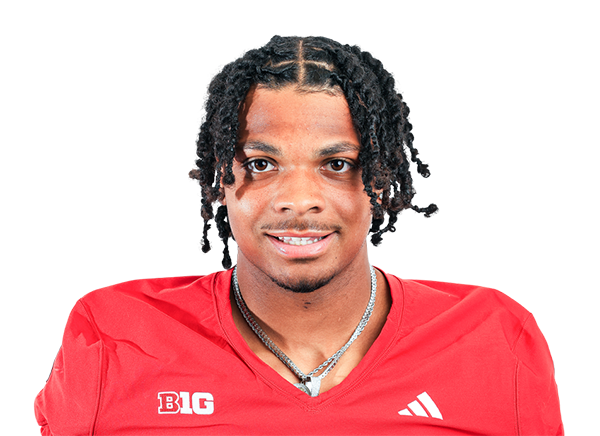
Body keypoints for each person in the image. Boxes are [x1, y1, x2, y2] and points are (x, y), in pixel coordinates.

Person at [34, 34, 563, 435]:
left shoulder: (493, 338)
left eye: (336, 164)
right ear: (219, 177)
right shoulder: (114, 334)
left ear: (380, 180)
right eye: (262, 164)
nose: (298, 199)